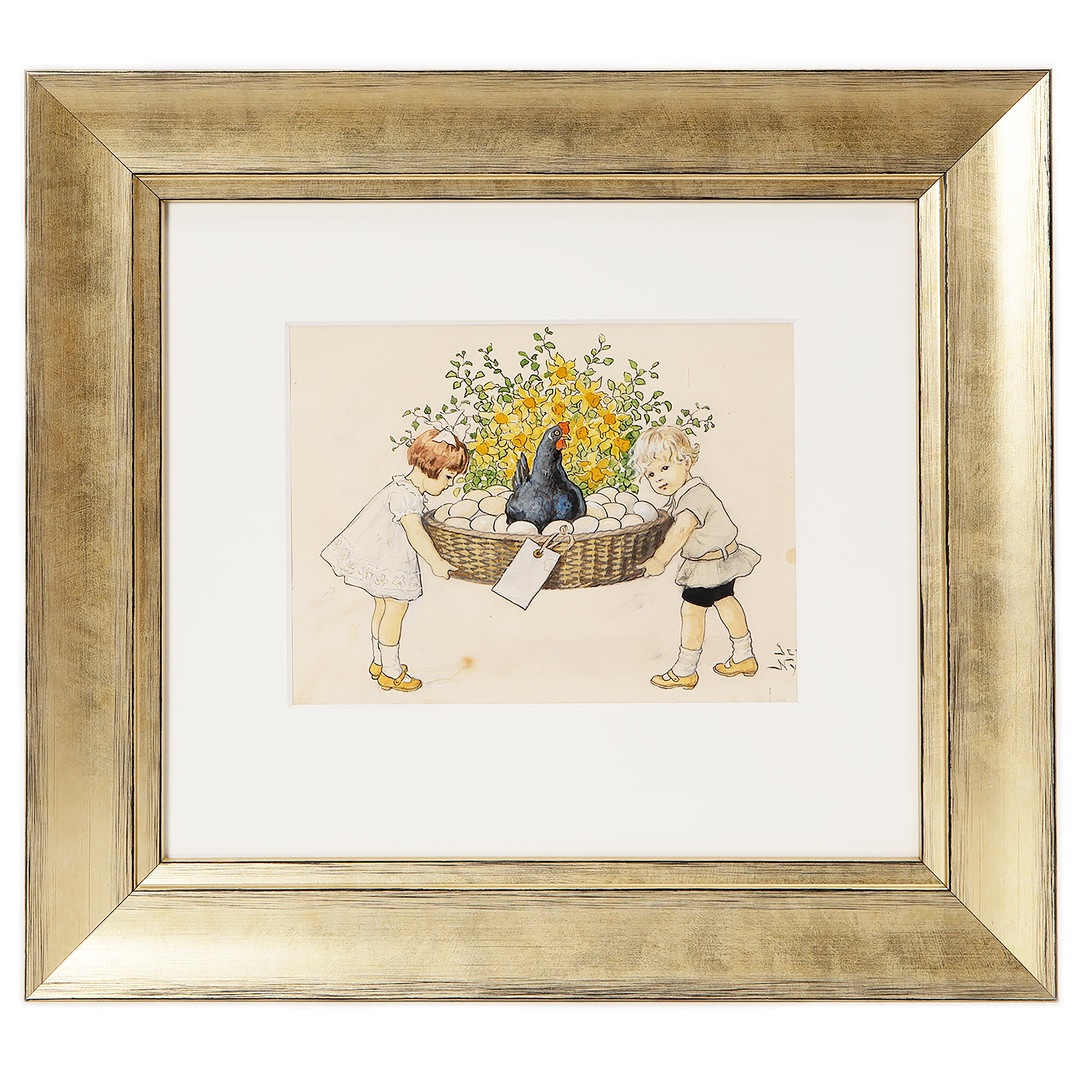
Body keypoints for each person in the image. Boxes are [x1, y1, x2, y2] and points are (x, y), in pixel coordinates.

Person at [321, 428, 466, 692]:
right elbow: (416, 533)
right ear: (430, 467)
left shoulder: (402, 488)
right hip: (391, 561)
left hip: (381, 557)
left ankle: (379, 662)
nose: (449, 485)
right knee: (395, 610)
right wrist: (436, 562)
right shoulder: (406, 496)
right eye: (448, 477)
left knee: (382, 606)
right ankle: (391, 672)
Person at [635, 427, 760, 689]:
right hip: (722, 559)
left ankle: (685, 670)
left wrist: (659, 560)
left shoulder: (694, 497)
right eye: (651, 474)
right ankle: (744, 655)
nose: (658, 478)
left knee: (691, 611)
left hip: (709, 565)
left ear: (687, 462)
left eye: (665, 468)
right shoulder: (688, 493)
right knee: (725, 601)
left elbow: (680, 531)